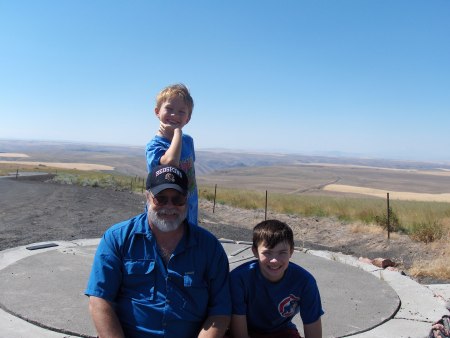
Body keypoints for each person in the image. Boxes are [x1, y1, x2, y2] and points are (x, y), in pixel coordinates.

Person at [85, 165, 231, 338]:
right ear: (147, 197)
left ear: (187, 199)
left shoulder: (209, 247)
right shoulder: (117, 239)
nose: (169, 207)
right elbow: (99, 301)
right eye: (160, 199)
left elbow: (220, 312)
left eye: (177, 199)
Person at [229, 220, 324, 338]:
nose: (274, 260)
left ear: (291, 251)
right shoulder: (238, 279)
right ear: (255, 252)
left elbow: (313, 327)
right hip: (247, 329)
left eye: (282, 252)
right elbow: (239, 333)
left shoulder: (305, 282)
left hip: (281, 331)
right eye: (267, 253)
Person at [145, 83, 198, 226]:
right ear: (157, 112)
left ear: (188, 118)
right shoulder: (154, 146)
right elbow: (170, 163)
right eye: (169, 109)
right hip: (164, 210)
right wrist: (178, 132)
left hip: (187, 206)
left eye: (181, 112)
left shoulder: (187, 141)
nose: (174, 114)